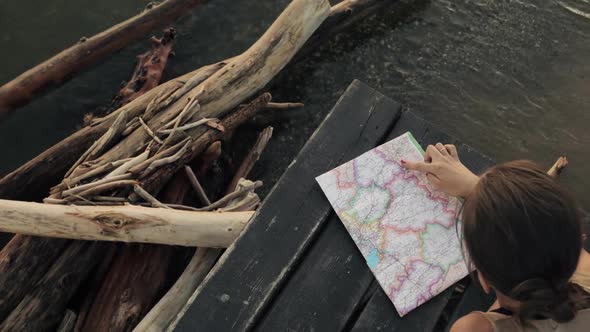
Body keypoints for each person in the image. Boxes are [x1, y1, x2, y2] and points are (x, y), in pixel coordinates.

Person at [401, 143, 590, 332]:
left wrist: (480, 195)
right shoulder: (585, 272)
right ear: (579, 240)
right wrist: (482, 194)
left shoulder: (474, 328)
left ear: (482, 278)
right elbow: (553, 236)